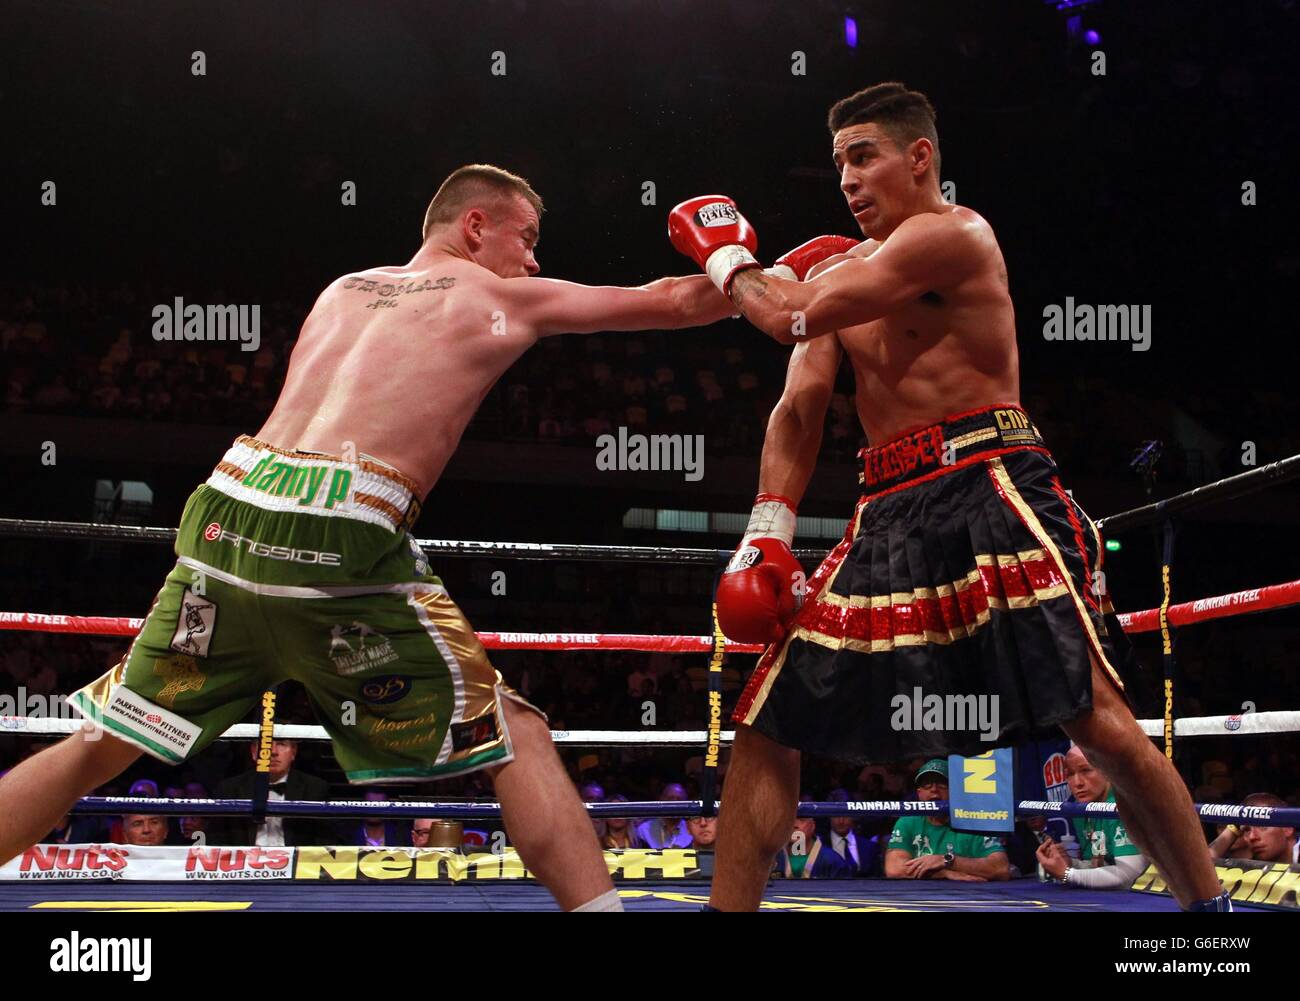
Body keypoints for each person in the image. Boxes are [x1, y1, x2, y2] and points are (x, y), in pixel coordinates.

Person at [0, 163, 739, 912]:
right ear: (475, 226)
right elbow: (677, 301)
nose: (535, 260)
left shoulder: (343, 288)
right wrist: (747, 261)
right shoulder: (495, 295)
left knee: (101, 745)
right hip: (339, 523)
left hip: (226, 511)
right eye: (528, 238)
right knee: (514, 732)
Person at [671, 82, 1229, 912]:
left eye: (864, 156)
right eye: (838, 165)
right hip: (885, 508)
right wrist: (768, 531)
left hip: (991, 481)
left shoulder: (952, 235)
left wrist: (726, 255)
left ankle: (1207, 924)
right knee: (769, 714)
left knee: (1093, 717)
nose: (848, 180)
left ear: (920, 156)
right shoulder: (836, 267)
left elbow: (788, 316)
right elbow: (799, 406)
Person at [1036, 744, 1147, 889]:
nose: (1077, 783)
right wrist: (1071, 864)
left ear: (1107, 771)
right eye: (1070, 774)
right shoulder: (1082, 808)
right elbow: (1099, 865)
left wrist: (1068, 874)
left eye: (1086, 770)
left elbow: (1130, 875)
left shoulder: (1123, 805)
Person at [883, 760, 1009, 881]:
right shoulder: (908, 821)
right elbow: (895, 869)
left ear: (956, 790)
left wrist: (946, 860)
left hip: (970, 896)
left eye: (942, 784)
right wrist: (944, 873)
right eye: (927, 785)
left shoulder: (976, 819)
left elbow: (1000, 869)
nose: (934, 789)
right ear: (919, 793)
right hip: (922, 897)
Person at [211, 739, 334, 847]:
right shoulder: (229, 788)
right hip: (244, 867)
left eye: (281, 744)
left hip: (295, 868)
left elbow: (324, 841)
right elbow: (217, 840)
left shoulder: (315, 788)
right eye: (267, 744)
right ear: (254, 752)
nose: (273, 752)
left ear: (294, 752)